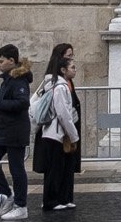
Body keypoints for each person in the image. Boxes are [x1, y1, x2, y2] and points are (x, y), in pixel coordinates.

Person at [0, 43, 33, 221]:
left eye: (1, 61)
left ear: (12, 61)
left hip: (15, 131)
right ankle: (7, 194)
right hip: (3, 130)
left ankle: (21, 205)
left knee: (16, 168)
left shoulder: (19, 80)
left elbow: (23, 102)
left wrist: (0, 106)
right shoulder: (7, 79)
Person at [32, 42, 83, 212]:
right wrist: (73, 134)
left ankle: (64, 197)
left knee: (65, 165)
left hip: (62, 132)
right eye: (69, 58)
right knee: (55, 167)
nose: (73, 64)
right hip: (57, 132)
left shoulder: (63, 83)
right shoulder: (58, 85)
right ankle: (51, 200)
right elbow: (63, 113)